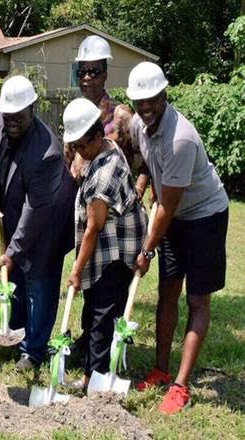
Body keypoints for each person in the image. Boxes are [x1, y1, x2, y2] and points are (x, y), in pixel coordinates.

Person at [127, 62, 229, 414]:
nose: (145, 108)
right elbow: (151, 174)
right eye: (139, 101)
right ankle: (160, 369)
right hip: (173, 215)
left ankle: (180, 386)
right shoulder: (140, 126)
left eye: (151, 100)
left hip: (205, 217)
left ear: (164, 96)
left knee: (197, 301)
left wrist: (146, 250)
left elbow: (167, 207)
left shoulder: (180, 138)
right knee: (166, 293)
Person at [0, 75, 76, 370]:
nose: (12, 122)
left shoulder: (47, 152)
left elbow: (34, 209)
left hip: (48, 225)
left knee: (39, 283)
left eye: (19, 117)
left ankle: (33, 351)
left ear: (33, 109)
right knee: (17, 281)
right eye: (8, 116)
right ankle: (16, 332)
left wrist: (13, 251)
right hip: (15, 215)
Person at [62, 98, 147, 388]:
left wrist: (76, 270)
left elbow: (93, 229)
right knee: (93, 311)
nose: (78, 152)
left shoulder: (104, 175)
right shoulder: (105, 148)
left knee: (102, 314)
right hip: (105, 246)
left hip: (115, 252)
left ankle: (94, 379)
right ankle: (92, 368)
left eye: (82, 146)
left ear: (98, 135)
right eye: (74, 146)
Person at [68, 35, 150, 199]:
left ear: (105, 76)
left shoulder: (121, 115)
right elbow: (68, 163)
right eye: (82, 72)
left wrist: (138, 193)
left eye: (93, 72)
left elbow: (148, 160)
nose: (86, 78)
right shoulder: (75, 114)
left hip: (114, 205)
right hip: (83, 202)